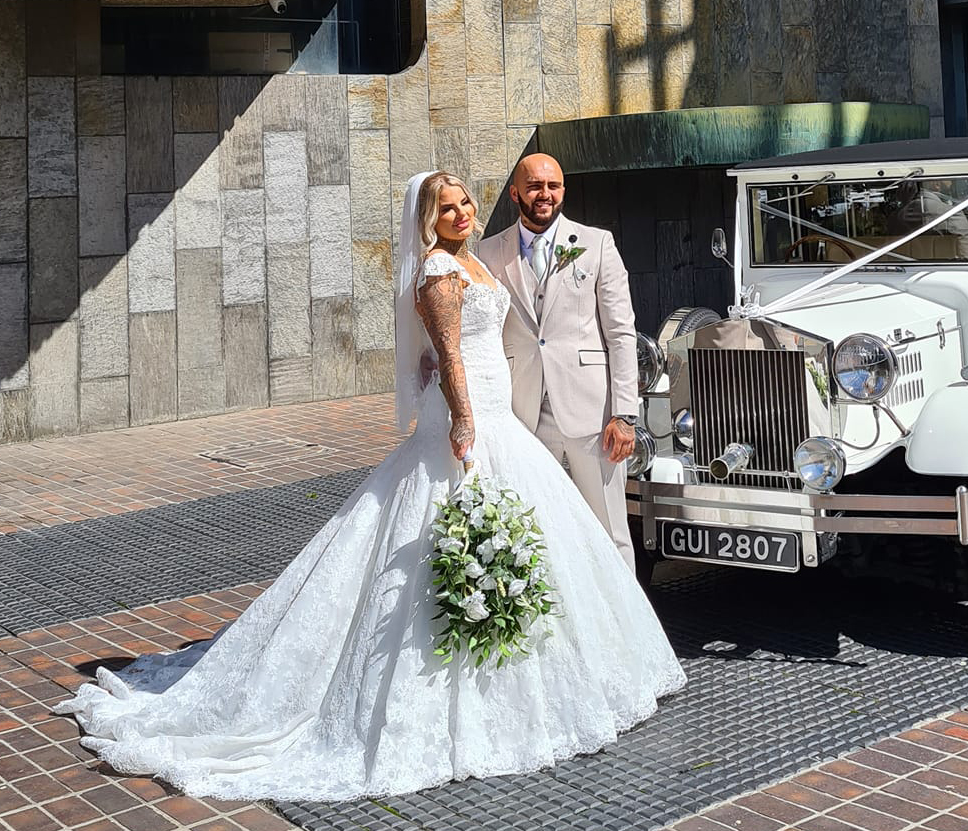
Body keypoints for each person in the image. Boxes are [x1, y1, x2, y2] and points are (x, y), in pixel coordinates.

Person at [52, 170, 685, 802]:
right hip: (472, 424)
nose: (462, 212)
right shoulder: (439, 271)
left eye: (465, 201)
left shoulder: (473, 259)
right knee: (451, 544)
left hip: (507, 418)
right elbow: (451, 354)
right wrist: (462, 419)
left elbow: (450, 349)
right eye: (447, 207)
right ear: (427, 219)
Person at [478, 154, 643, 573]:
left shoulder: (597, 243)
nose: (544, 195)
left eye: (553, 186)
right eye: (534, 186)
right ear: (515, 193)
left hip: (594, 414)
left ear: (563, 191)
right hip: (522, 415)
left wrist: (625, 414)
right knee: (533, 528)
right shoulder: (487, 253)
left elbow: (621, 333)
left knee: (610, 531)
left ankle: (625, 628)